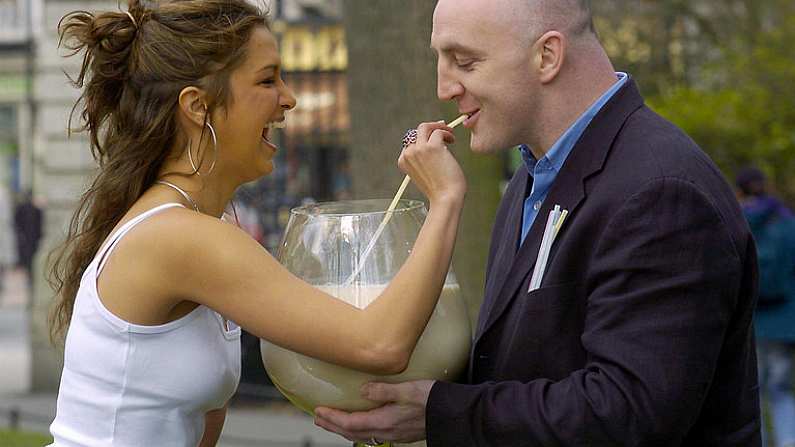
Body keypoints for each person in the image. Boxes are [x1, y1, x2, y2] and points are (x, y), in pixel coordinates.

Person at [313, 0, 761, 445]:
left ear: (547, 56)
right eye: (440, 60)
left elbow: (629, 412)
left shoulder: (661, 191)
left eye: (464, 61)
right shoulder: (532, 177)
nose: (445, 87)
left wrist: (442, 413)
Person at [46, 1, 466, 446]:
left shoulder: (191, 224)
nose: (289, 98)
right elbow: (381, 345)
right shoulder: (180, 237)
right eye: (267, 80)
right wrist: (444, 198)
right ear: (197, 106)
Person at [736, 166, 795, 447]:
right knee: (781, 390)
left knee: (752, 393)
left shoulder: (734, 222)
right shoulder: (787, 221)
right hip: (785, 322)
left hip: (751, 324)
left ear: (740, 189)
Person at [13, 190, 42, 286]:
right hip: (27, 239)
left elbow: (39, 225)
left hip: (31, 239)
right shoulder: (22, 208)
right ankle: (29, 278)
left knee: (30, 260)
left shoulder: (36, 209)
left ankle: (30, 278)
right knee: (27, 260)